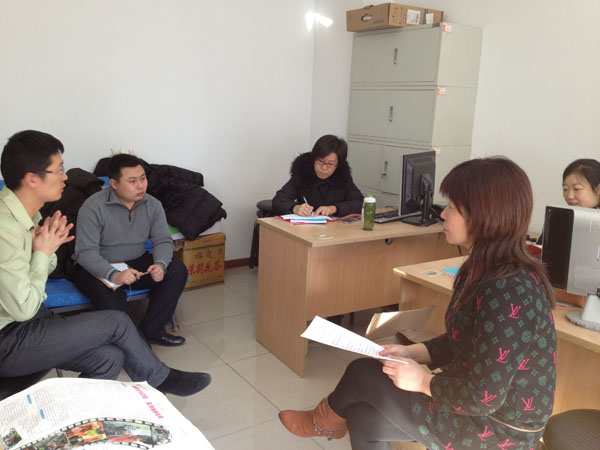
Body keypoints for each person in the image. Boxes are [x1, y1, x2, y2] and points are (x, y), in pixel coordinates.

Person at [279, 157, 557, 450]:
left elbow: (483, 397)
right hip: (474, 405)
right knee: (362, 416)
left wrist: (423, 381)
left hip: (500, 428)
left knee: (363, 373)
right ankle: (327, 422)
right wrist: (412, 352)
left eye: (453, 207)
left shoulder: (508, 289)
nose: (443, 214)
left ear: (485, 216)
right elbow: (463, 340)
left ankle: (322, 422)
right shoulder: (483, 270)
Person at [0, 130, 210, 396]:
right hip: (11, 334)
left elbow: (162, 241)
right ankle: (159, 379)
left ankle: (73, 414)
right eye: (59, 170)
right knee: (116, 322)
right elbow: (24, 308)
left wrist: (45, 251)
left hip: (31, 320)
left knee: (110, 358)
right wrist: (44, 254)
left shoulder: (30, 217)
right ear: (32, 178)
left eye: (142, 178)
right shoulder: (6, 229)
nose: (66, 177)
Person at [73, 154, 187, 347]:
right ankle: (136, 342)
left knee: (176, 270)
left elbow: (162, 240)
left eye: (143, 178)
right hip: (98, 266)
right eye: (132, 181)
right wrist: (114, 275)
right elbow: (85, 253)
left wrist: (160, 264)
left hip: (135, 260)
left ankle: (152, 330)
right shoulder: (93, 207)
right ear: (114, 183)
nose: (140, 186)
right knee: (108, 295)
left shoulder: (152, 204)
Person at [272, 135, 364, 217]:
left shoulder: (342, 177)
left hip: (333, 227)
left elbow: (360, 203)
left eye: (330, 164)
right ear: (314, 158)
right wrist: (295, 207)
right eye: (320, 161)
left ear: (338, 165)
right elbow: (278, 200)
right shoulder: (303, 173)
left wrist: (334, 208)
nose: (324, 168)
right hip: (304, 227)